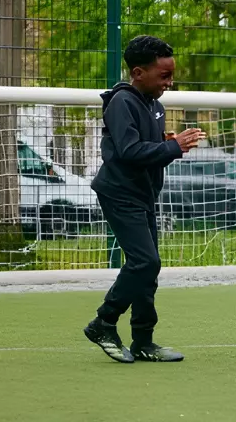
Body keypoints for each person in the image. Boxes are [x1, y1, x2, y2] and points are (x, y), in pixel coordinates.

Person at [83, 35, 205, 363]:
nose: (170, 81)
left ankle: (143, 341)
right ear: (138, 73)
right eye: (164, 76)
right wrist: (171, 146)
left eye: (171, 74)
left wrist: (167, 143)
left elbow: (146, 149)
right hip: (120, 193)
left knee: (148, 268)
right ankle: (103, 322)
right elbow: (129, 151)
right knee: (145, 262)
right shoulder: (122, 102)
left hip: (143, 195)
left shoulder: (156, 106)